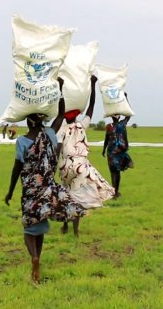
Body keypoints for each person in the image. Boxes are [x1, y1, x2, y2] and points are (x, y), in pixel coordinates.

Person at [4, 80, 87, 283]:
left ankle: (33, 257)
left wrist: (10, 192)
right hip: (47, 190)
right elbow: (60, 115)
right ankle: (38, 258)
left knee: (28, 228)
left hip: (30, 191)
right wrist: (59, 89)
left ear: (28, 122)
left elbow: (17, 169)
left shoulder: (22, 142)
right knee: (40, 227)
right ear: (41, 122)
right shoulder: (49, 135)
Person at [57, 76, 115, 237]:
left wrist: (60, 87)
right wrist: (93, 84)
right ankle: (75, 230)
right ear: (76, 116)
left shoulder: (61, 127)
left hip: (65, 167)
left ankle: (65, 225)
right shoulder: (82, 125)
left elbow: (59, 108)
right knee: (78, 199)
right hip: (81, 166)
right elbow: (91, 107)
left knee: (65, 195)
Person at [102, 95, 134, 198]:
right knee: (114, 171)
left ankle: (115, 191)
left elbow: (129, 114)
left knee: (116, 171)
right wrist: (103, 150)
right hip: (112, 152)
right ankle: (114, 192)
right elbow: (106, 139)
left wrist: (125, 99)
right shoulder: (110, 126)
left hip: (118, 152)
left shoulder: (121, 124)